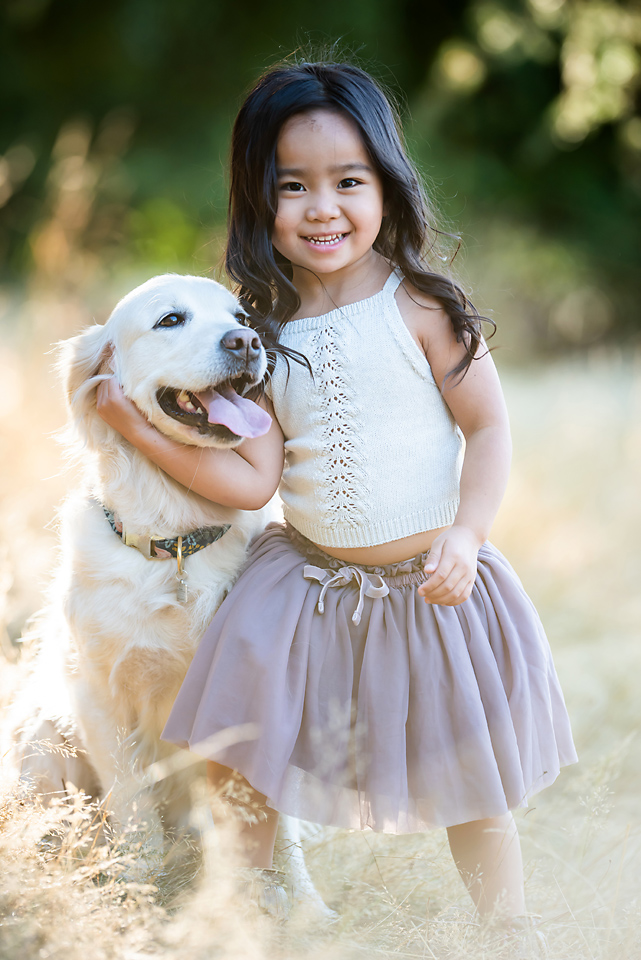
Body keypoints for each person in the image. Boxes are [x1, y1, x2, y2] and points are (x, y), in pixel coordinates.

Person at [96, 60, 577, 923]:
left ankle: (508, 929)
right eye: (293, 187)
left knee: (474, 785)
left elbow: (489, 429)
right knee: (241, 750)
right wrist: (135, 427)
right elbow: (252, 479)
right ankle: (244, 913)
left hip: (432, 585)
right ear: (258, 201)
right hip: (308, 588)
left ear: (385, 186)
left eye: (347, 182)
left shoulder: (422, 307)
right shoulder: (261, 332)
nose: (323, 208)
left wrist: (466, 534)